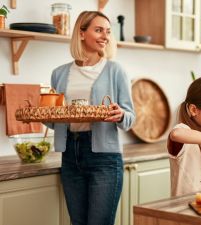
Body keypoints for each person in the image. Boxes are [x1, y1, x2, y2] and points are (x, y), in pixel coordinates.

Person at [47, 11, 135, 225]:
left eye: (108, 31)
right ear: (82, 32)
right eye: (98, 30)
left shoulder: (115, 71)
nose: (105, 36)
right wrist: (43, 112)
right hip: (70, 154)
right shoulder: (59, 74)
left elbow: (130, 117)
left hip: (104, 158)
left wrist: (120, 114)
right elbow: (55, 119)